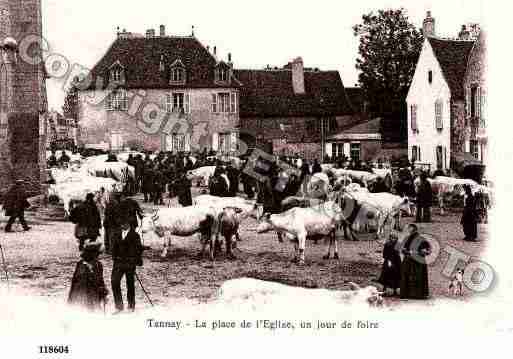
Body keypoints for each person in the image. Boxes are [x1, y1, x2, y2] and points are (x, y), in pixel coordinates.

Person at [111, 223, 144, 313]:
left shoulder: (135, 235)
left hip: (129, 264)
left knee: (130, 284)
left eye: (124, 222)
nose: (122, 225)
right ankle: (119, 306)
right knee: (114, 282)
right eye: (121, 222)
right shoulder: (116, 234)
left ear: (129, 224)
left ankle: (131, 305)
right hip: (118, 263)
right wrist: (115, 258)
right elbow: (113, 248)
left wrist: (135, 261)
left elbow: (138, 249)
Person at [67, 240, 108, 312]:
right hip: (83, 295)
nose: (98, 257)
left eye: (98, 255)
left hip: (94, 294)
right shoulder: (81, 265)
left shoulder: (98, 265)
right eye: (96, 254)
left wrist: (103, 289)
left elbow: (100, 279)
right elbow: (79, 282)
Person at [400, 224, 431, 300]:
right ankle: (414, 293)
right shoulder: (408, 238)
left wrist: (418, 252)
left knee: (416, 276)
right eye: (408, 229)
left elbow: (427, 251)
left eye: (410, 229)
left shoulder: (421, 239)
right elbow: (403, 249)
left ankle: (416, 294)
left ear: (414, 230)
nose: (409, 230)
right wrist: (406, 251)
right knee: (409, 276)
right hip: (410, 260)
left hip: (417, 261)